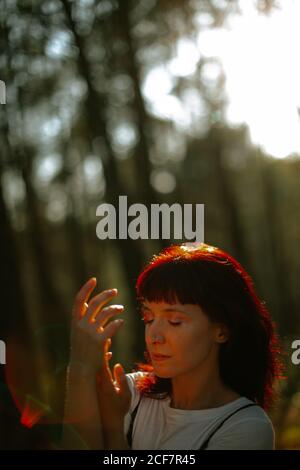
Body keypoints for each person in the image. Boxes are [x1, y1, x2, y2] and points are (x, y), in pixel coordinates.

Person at [61, 242, 284, 450]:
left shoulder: (245, 426)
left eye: (174, 321)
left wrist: (114, 426)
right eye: (149, 319)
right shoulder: (129, 394)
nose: (154, 336)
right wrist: (80, 367)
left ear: (222, 331)